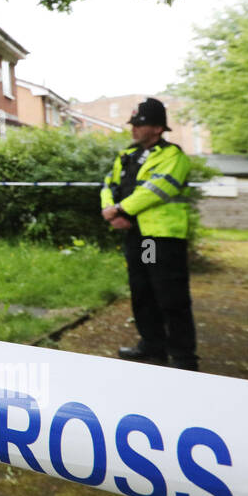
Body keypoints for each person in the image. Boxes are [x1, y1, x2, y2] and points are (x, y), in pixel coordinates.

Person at [99, 98, 199, 371]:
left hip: (162, 238)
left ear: (157, 128)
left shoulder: (173, 156)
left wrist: (120, 210)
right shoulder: (127, 155)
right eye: (133, 124)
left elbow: (156, 191)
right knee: (141, 292)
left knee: (171, 296)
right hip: (137, 237)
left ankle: (183, 357)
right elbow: (109, 183)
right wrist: (110, 210)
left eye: (140, 124)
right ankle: (152, 345)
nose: (134, 129)